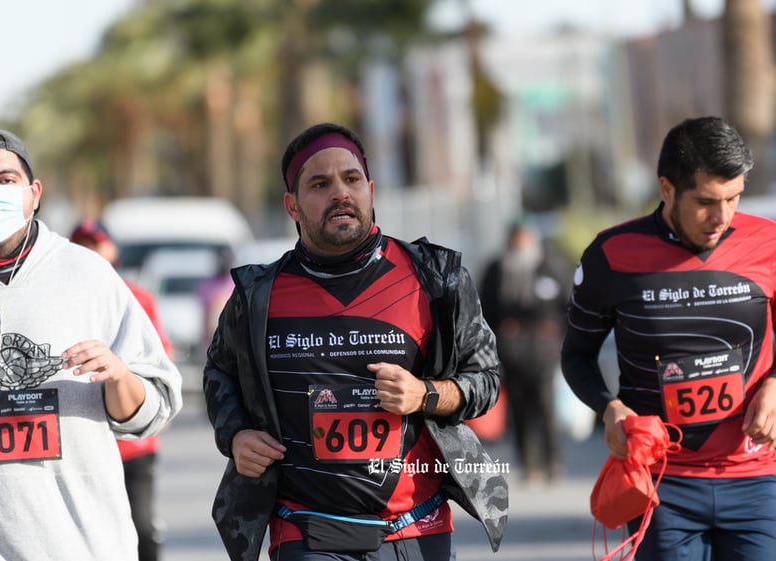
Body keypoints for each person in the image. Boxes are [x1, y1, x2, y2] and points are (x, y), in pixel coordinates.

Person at [203, 122, 508, 561]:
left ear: (371, 189)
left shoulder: (436, 280)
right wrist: (235, 435)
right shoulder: (258, 297)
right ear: (292, 205)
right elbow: (219, 371)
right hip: (307, 530)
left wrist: (424, 393)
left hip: (417, 527)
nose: (339, 193)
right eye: (320, 184)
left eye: (351, 179)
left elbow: (486, 379)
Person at [0, 127, 183, 560]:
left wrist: (119, 376)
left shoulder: (88, 275)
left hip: (85, 544)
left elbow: (155, 409)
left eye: (6, 180)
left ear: (34, 193)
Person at [561, 115, 776, 560]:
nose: (722, 217)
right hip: (662, 485)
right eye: (706, 201)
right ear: (666, 189)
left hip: (757, 479)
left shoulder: (768, 243)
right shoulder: (611, 255)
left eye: (734, 198)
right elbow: (576, 356)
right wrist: (609, 407)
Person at [70, 219, 173, 561]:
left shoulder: (136, 298)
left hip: (134, 446)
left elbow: (160, 359)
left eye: (96, 243)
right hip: (85, 441)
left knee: (142, 528)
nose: (91, 252)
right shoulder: (64, 303)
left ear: (112, 249)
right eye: (82, 244)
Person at [479, 220, 569, 483]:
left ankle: (552, 461)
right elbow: (484, 309)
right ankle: (528, 463)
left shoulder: (549, 265)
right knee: (519, 409)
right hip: (511, 350)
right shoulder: (497, 268)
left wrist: (555, 330)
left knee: (545, 406)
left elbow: (566, 303)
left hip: (543, 350)